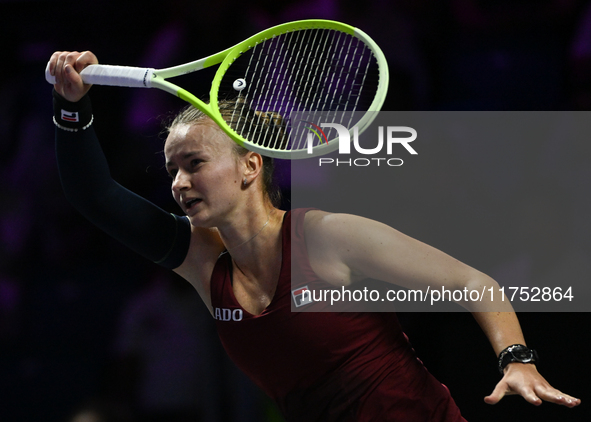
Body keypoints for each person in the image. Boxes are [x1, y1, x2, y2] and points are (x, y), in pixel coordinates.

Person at [48, 51, 581, 421]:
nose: (180, 183)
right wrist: (72, 106)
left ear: (250, 166)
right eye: (171, 170)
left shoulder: (326, 236)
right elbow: (95, 197)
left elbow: (473, 282)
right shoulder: (203, 263)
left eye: (194, 163)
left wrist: (516, 358)